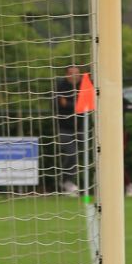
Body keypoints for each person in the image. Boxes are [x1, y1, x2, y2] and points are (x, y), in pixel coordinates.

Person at [53, 65, 81, 193]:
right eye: (72, 73)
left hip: (81, 127)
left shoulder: (83, 85)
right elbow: (63, 104)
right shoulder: (61, 86)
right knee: (71, 154)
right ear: (67, 75)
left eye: (77, 73)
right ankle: (66, 181)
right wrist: (78, 105)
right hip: (64, 127)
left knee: (87, 155)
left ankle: (91, 182)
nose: (75, 76)